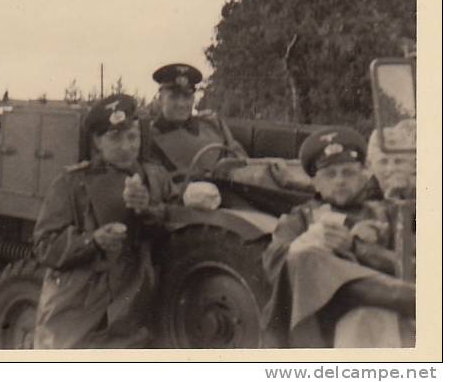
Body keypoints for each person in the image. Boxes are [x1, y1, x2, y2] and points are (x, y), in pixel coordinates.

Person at [32, 94, 174, 349]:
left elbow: (175, 223)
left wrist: (148, 209)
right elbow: (44, 245)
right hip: (83, 310)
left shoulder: (156, 178)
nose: (126, 146)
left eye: (132, 137)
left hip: (137, 310)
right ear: (97, 141)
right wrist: (92, 240)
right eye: (115, 137)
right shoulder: (72, 184)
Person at [262, 127, 416, 348]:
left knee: (364, 316)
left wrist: (356, 247)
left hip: (382, 317)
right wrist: (315, 240)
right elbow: (274, 263)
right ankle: (409, 298)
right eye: (330, 174)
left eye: (348, 172)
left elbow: (415, 267)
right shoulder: (299, 218)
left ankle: (387, 297)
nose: (340, 181)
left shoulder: (388, 213)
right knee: (304, 254)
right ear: (316, 182)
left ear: (364, 175)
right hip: (317, 318)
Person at [148, 63, 246, 180]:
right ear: (160, 100)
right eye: (173, 97)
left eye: (187, 97)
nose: (181, 104)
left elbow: (242, 161)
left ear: (193, 99)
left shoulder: (212, 124)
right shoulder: (148, 137)